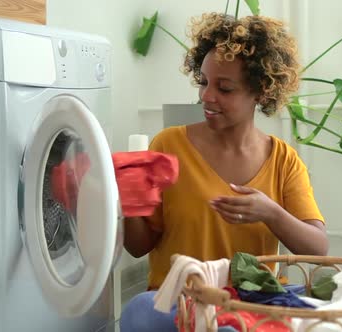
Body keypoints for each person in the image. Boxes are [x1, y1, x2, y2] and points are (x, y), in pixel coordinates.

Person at [119, 12, 328, 332]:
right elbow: (138, 246)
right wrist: (131, 201)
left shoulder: (283, 160)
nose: (206, 96)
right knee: (139, 309)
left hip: (250, 307)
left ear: (260, 91)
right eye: (203, 82)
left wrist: (270, 212)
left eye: (225, 88)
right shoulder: (169, 144)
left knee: (230, 330)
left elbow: (317, 249)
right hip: (179, 304)